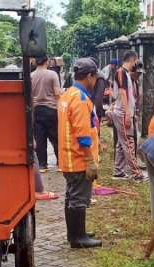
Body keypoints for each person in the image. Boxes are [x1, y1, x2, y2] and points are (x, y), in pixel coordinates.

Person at [58, 58, 102, 249]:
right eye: (95, 77)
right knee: (78, 198)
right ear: (90, 76)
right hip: (78, 158)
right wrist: (90, 161)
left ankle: (74, 233)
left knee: (71, 196)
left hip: (68, 156)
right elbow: (83, 134)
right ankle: (78, 238)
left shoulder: (68, 94)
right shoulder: (81, 99)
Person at [111, 50, 146, 182]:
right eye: (135, 61)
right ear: (133, 60)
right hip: (121, 113)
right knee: (128, 142)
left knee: (122, 143)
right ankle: (137, 173)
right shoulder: (121, 73)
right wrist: (127, 114)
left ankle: (118, 172)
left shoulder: (125, 74)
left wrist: (131, 113)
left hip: (123, 113)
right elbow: (122, 93)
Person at [31, 55, 62, 172]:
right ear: (47, 62)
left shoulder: (31, 76)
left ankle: (42, 165)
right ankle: (60, 163)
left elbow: (29, 96)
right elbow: (57, 93)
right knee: (56, 137)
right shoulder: (52, 74)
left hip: (37, 109)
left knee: (40, 137)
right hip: (51, 109)